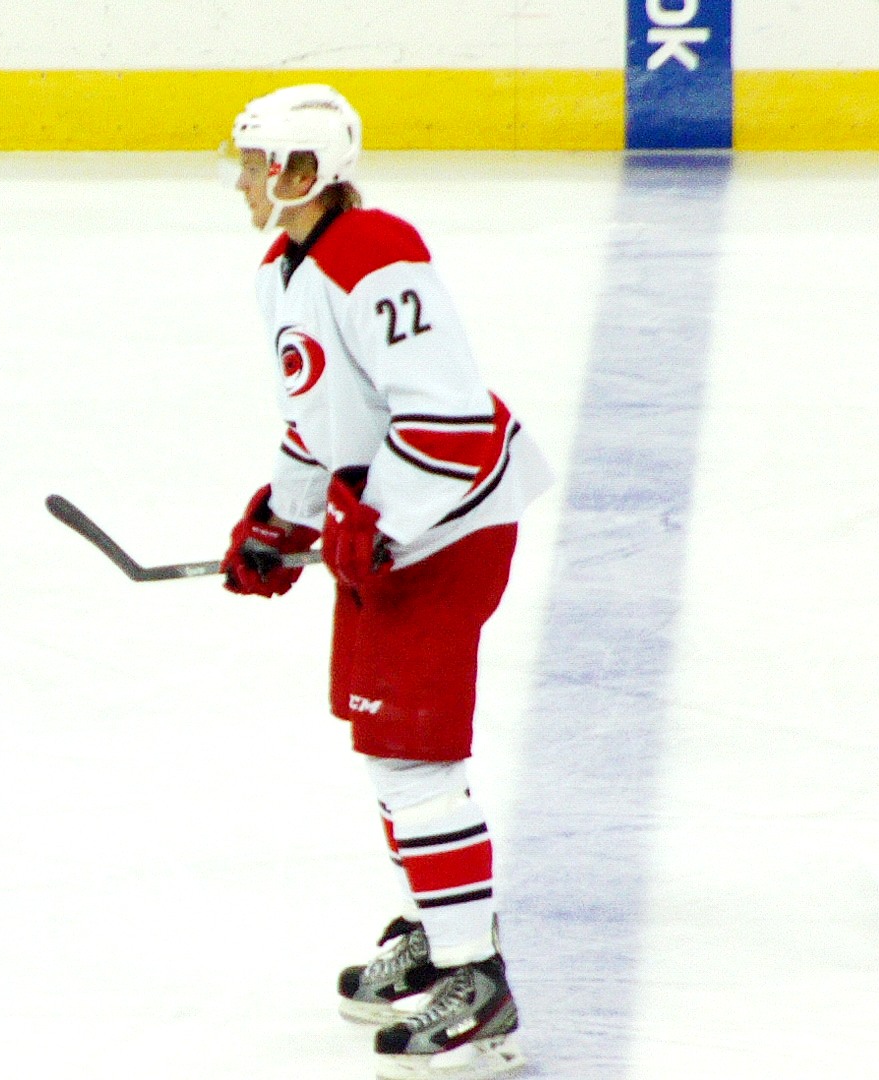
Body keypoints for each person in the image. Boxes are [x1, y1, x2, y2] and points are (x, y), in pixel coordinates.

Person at [217, 84, 552, 1080]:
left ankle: (477, 981)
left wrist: (387, 522)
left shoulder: (376, 254)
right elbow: (317, 421)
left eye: (257, 164)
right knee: (386, 744)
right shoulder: (285, 270)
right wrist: (284, 521)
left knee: (414, 756)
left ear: (304, 172)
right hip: (393, 529)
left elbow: (451, 421)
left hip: (448, 526)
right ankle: (436, 923)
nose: (243, 181)